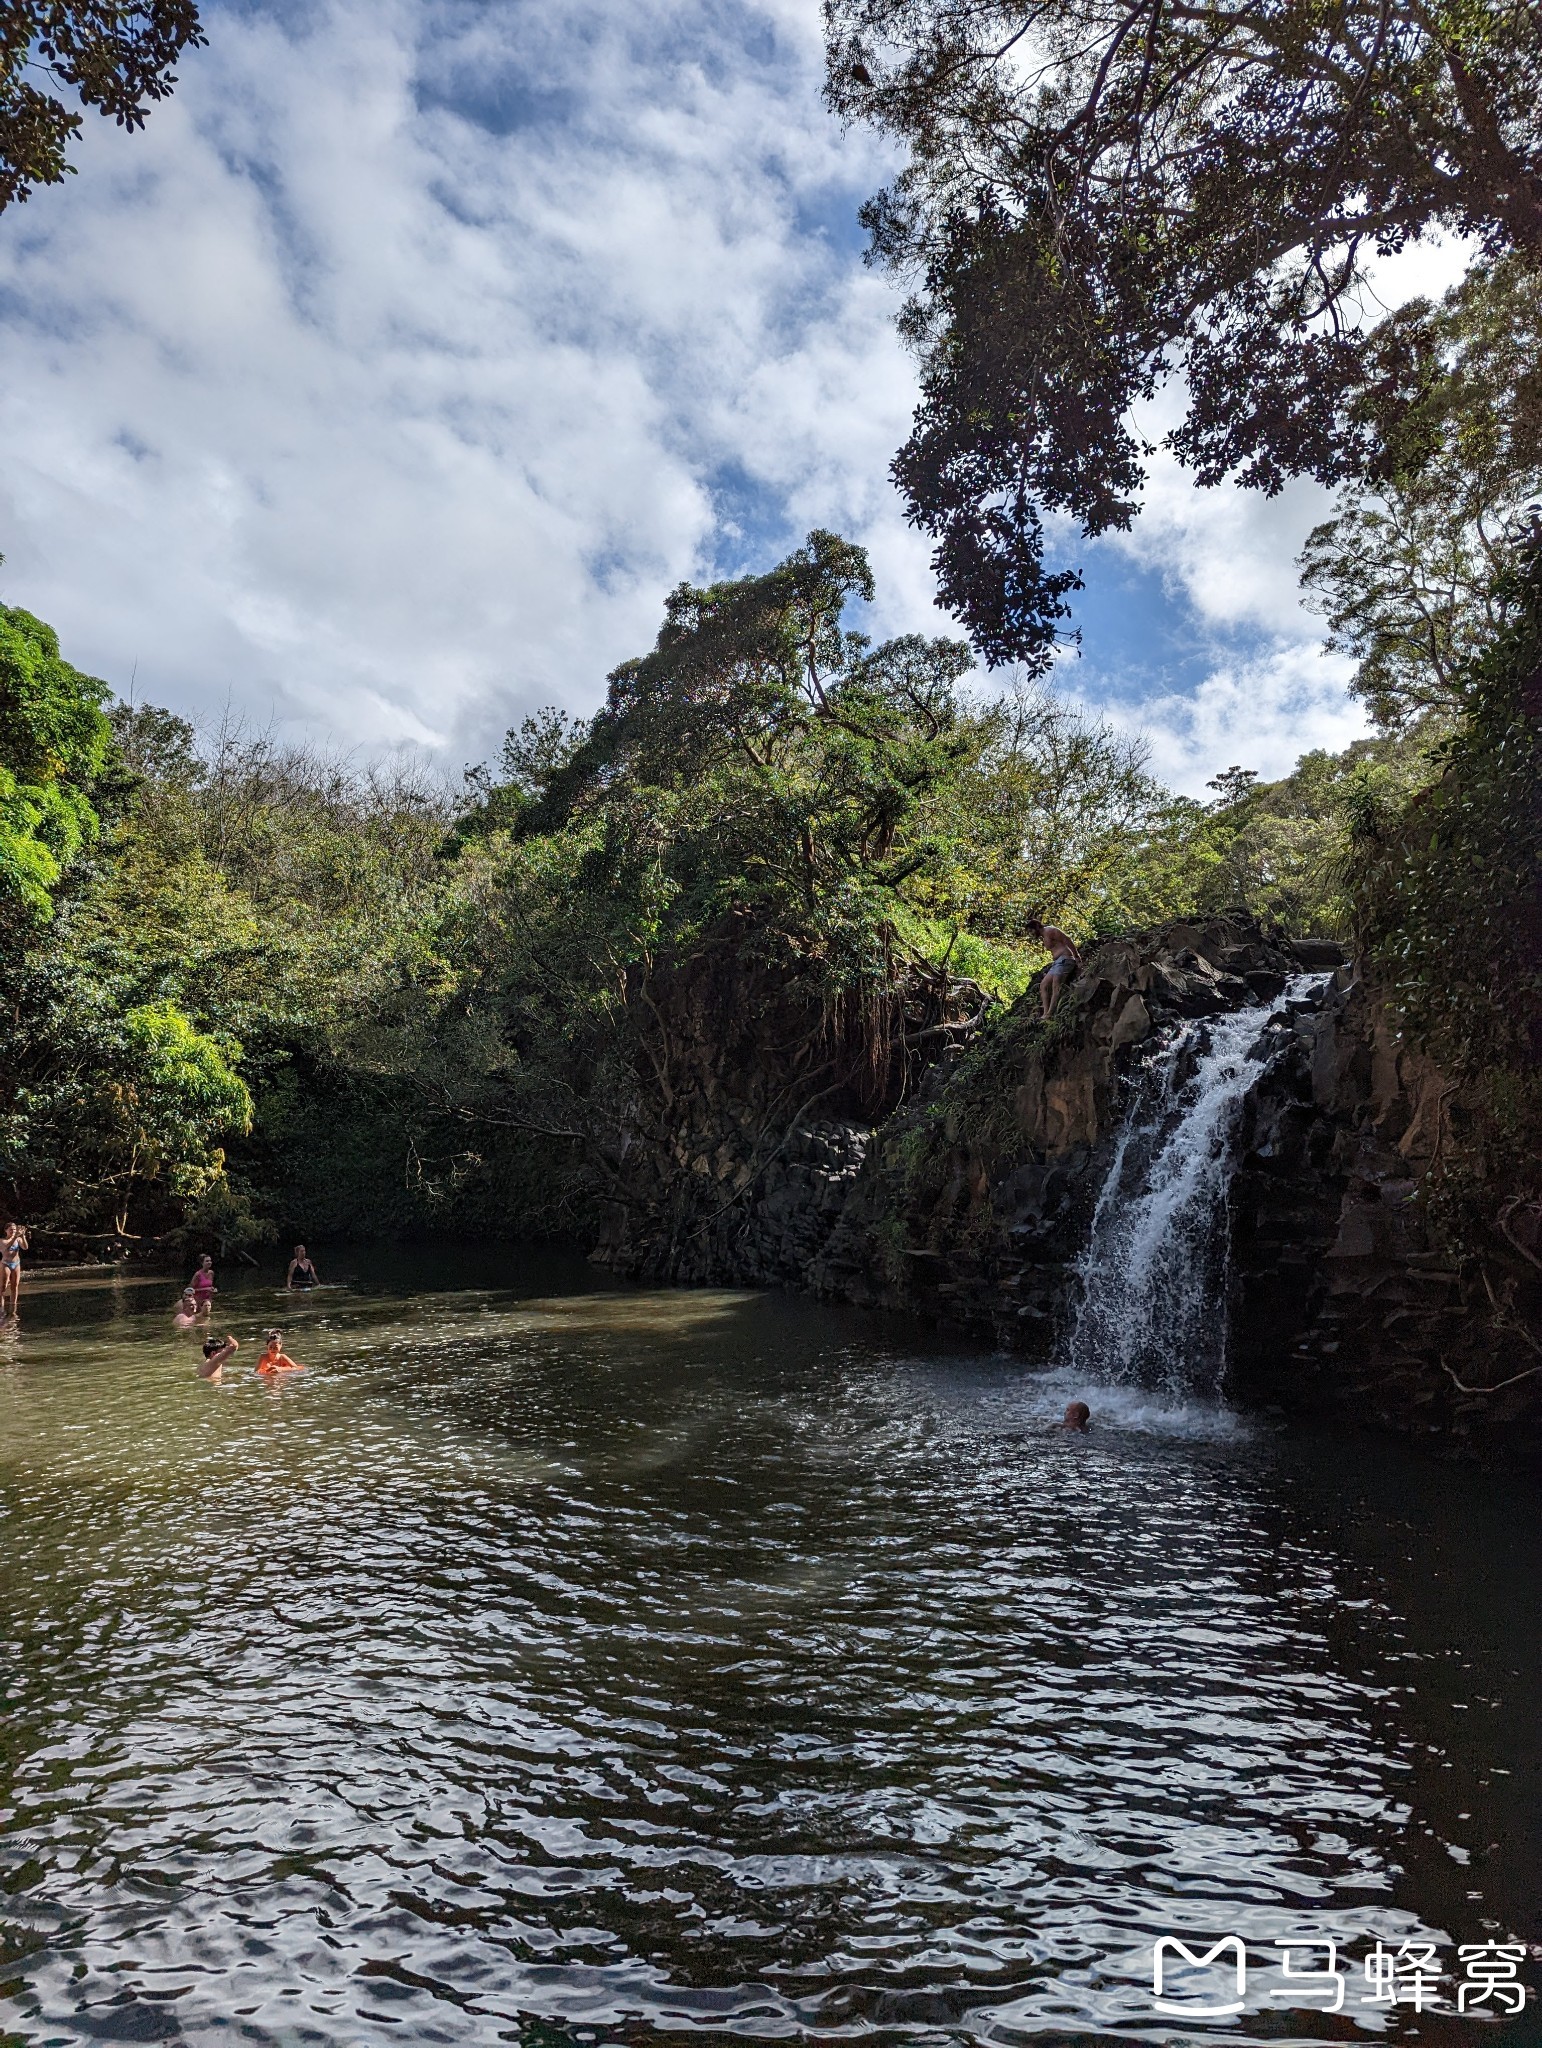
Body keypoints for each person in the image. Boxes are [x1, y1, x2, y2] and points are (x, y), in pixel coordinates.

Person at [1026, 917, 1081, 1019]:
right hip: (1057, 963)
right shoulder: (1044, 936)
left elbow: (1067, 939)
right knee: (1043, 985)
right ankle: (1045, 1013)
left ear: (1037, 926)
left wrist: (1076, 956)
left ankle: (1050, 1013)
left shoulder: (1050, 930)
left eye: (1031, 930)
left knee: (1056, 984)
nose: (1031, 934)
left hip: (1065, 959)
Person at [0, 1221, 27, 1317]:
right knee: (3, 1286)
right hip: (5, 1264)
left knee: (15, 1286)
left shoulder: (18, 1239)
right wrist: (15, 1237)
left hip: (16, 1263)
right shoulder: (2, 1241)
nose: (13, 1231)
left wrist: (23, 1236)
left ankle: (13, 1308)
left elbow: (25, 1247)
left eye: (14, 1230)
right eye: (11, 1229)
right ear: (6, 1230)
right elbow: (6, 1248)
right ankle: (1, 1308)